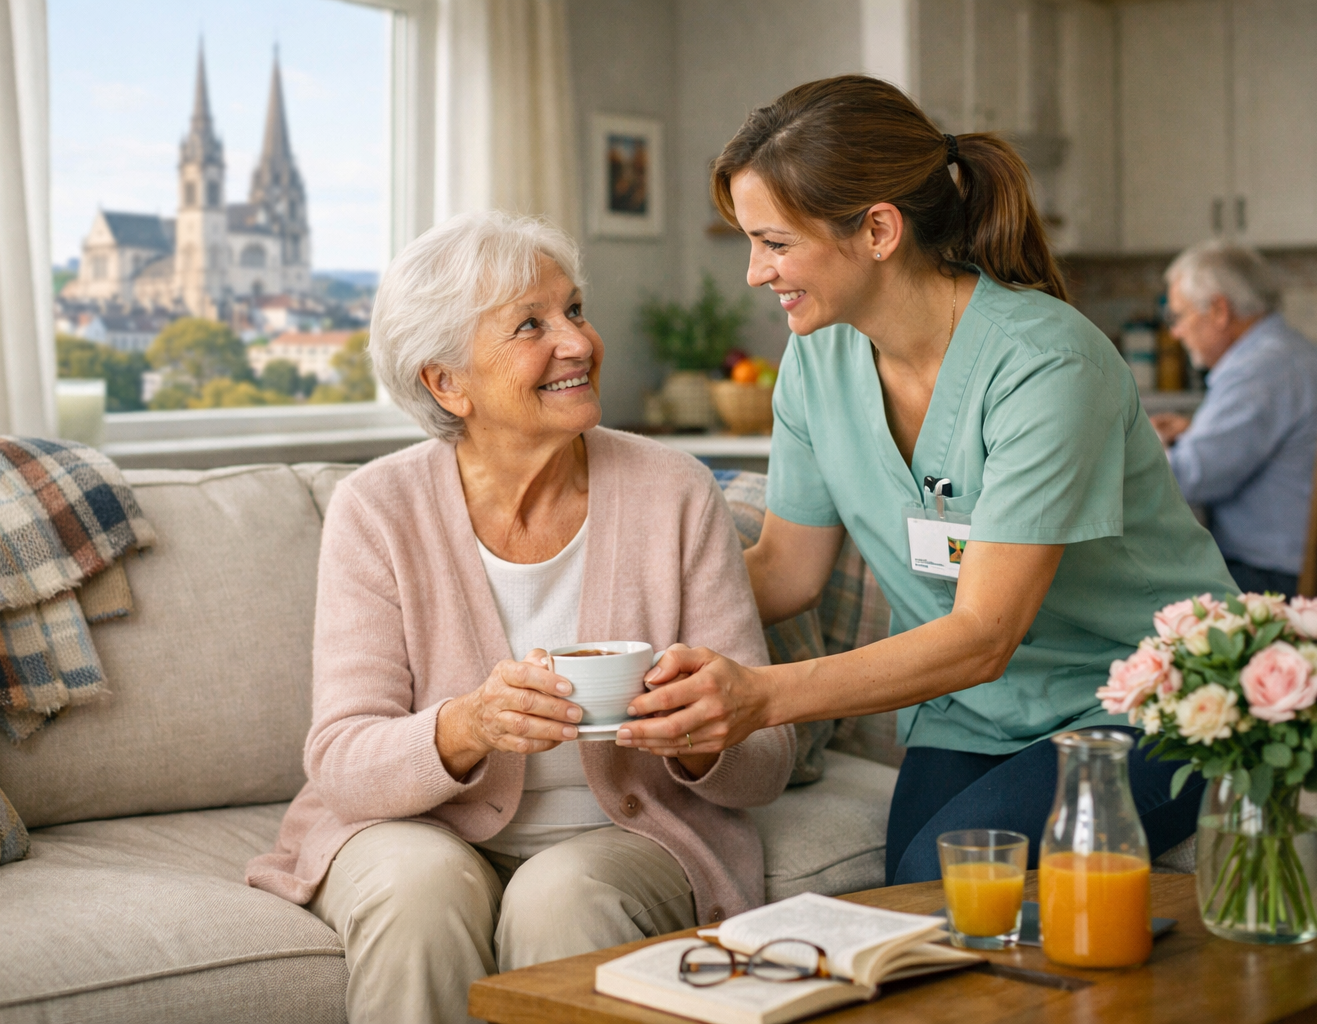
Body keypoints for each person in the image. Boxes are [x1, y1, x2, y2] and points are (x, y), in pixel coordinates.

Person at [610, 75, 1237, 887]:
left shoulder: (1045, 365)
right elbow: (786, 571)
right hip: (971, 713)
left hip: (1142, 699)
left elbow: (984, 633)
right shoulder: (817, 356)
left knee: (951, 885)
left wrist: (762, 697)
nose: (754, 273)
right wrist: (617, 622)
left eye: (774, 242)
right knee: (913, 890)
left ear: (877, 229)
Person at [246, 211, 795, 1024]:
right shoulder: (378, 508)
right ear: (446, 382)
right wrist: (467, 726)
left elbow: (768, 759)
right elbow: (342, 760)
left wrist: (707, 730)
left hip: (621, 836)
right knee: (418, 889)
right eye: (530, 325)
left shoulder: (674, 491)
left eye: (574, 310)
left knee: (561, 894)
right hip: (414, 830)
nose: (575, 341)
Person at [1150, 240, 1317, 597]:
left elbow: (1187, 478)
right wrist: (1196, 432)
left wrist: (1140, 442)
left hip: (1289, 581)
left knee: (1150, 586)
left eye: (1179, 316)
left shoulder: (1255, 371)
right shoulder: (1310, 359)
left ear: (1219, 310)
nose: (1175, 332)